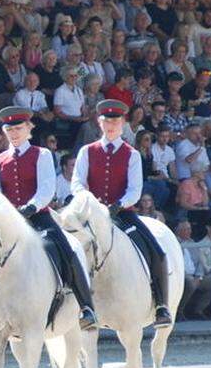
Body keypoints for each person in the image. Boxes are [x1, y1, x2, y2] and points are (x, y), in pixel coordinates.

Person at [0, 106, 96, 330]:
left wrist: (30, 207)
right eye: (9, 129)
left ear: (28, 129)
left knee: (67, 249)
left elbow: (46, 187)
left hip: (37, 217)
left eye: (18, 128)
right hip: (8, 222)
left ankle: (86, 307)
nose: (14, 133)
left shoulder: (42, 154)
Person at [70, 99, 172, 326]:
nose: (111, 125)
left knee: (156, 251)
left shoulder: (132, 154)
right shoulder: (87, 151)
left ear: (123, 123)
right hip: (92, 216)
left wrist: (118, 204)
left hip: (122, 213)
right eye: (106, 121)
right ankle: (76, 306)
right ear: (99, 122)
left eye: (115, 121)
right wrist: (89, 202)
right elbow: (77, 183)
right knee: (72, 249)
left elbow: (135, 189)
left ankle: (161, 305)